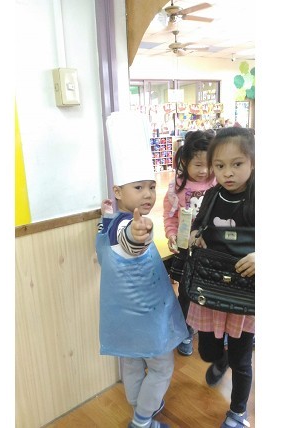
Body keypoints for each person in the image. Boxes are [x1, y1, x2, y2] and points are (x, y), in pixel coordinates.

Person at [97, 111, 188, 428]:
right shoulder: (130, 227)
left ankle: (141, 404)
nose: (148, 194)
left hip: (121, 319)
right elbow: (131, 242)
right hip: (146, 320)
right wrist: (140, 236)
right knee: (161, 367)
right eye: (138, 187)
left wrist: (107, 218)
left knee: (133, 365)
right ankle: (142, 420)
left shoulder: (111, 222)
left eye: (151, 186)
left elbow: (109, 242)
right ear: (118, 191)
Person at [186, 127, 255, 428]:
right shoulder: (213, 195)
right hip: (211, 288)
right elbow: (198, 227)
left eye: (237, 164)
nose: (228, 173)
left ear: (253, 162)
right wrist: (194, 236)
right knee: (207, 352)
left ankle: (238, 412)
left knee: (242, 360)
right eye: (220, 165)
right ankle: (221, 357)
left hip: (245, 294)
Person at [163, 130, 216, 356]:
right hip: (187, 249)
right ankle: (185, 331)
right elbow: (169, 216)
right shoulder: (177, 188)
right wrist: (171, 235)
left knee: (211, 291)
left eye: (209, 164)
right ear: (185, 161)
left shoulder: (218, 183)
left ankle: (213, 331)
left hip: (212, 249)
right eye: (198, 165)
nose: (204, 170)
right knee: (186, 292)